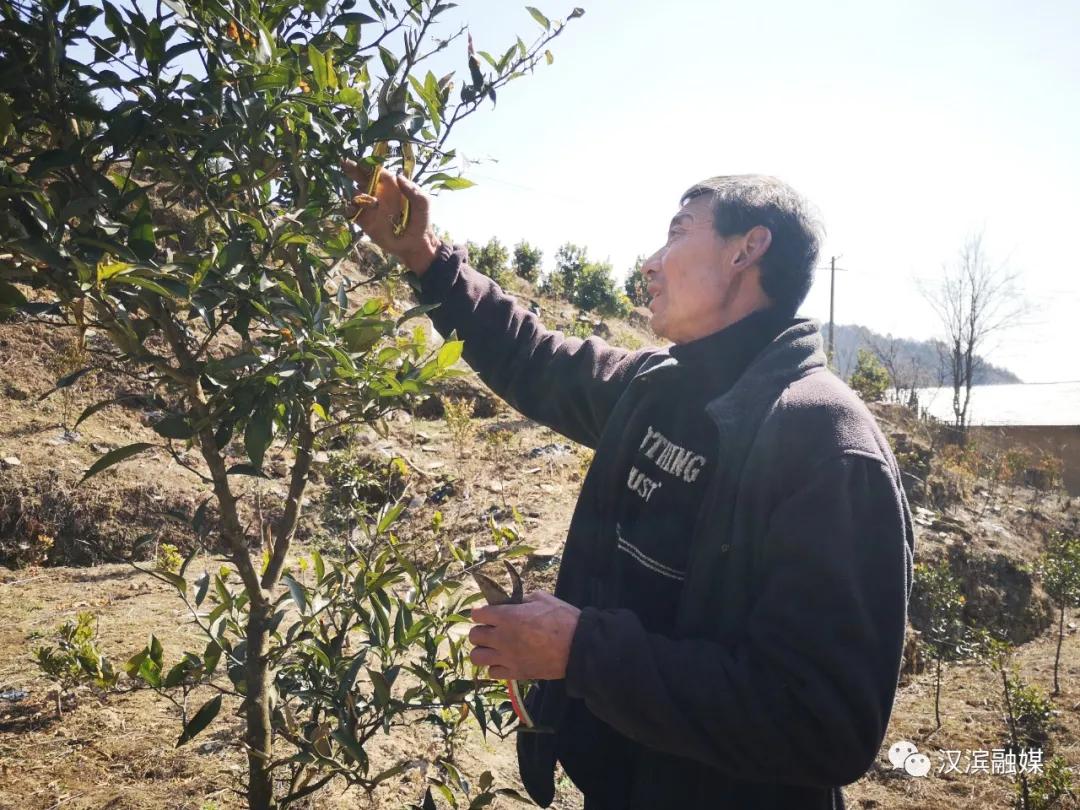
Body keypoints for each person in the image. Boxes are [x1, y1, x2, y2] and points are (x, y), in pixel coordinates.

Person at [345, 165, 915, 810]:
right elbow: (533, 357)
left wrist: (582, 649)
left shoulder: (824, 443)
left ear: (746, 248)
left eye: (677, 233)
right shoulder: (658, 386)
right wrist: (421, 253)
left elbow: (824, 724)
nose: (649, 263)